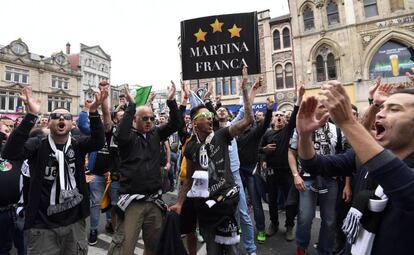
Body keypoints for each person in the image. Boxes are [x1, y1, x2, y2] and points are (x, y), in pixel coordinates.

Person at [296, 81, 414, 255]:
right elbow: (313, 164)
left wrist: (347, 122)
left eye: (394, 109)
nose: (380, 114)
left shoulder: (378, 161)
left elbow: (406, 191)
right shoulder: (362, 157)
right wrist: (305, 135)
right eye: (381, 108)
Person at [2, 86, 106, 254]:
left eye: (66, 117)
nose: (61, 119)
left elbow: (99, 141)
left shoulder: (78, 144)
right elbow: (10, 153)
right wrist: (31, 115)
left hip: (74, 223)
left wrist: (93, 111)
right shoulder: (38, 144)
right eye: (55, 116)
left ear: (72, 124)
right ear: (49, 122)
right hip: (42, 226)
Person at [170, 66, 254, 255]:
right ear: (194, 123)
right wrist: (180, 203)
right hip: (206, 207)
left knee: (232, 249)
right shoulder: (190, 146)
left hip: (227, 201)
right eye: (205, 116)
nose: (210, 119)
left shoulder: (222, 135)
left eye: (211, 116)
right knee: (212, 250)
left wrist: (245, 89)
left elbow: (248, 120)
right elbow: (189, 179)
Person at [107, 82, 182, 255]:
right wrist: (132, 106)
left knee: (155, 247)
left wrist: (171, 101)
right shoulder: (127, 138)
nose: (149, 121)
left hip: (154, 201)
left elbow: (176, 124)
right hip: (132, 202)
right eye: (144, 118)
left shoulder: (156, 134)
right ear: (135, 119)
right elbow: (120, 133)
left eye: (151, 118)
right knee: (123, 248)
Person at [259, 84, 304, 240]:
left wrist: (299, 98)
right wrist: (265, 151)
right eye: (276, 115)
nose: (278, 117)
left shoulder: (287, 130)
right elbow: (259, 151)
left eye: (281, 116)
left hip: (286, 171)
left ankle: (290, 225)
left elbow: (295, 114)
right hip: (272, 172)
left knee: (290, 201)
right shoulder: (267, 134)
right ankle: (274, 223)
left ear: (285, 120)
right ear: (272, 119)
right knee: (272, 200)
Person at [237, 95, 272, 244]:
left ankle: (261, 229)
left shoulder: (255, 132)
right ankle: (238, 225)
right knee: (237, 201)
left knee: (256, 203)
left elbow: (264, 126)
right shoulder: (234, 134)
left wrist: (269, 110)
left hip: (251, 172)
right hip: (238, 172)